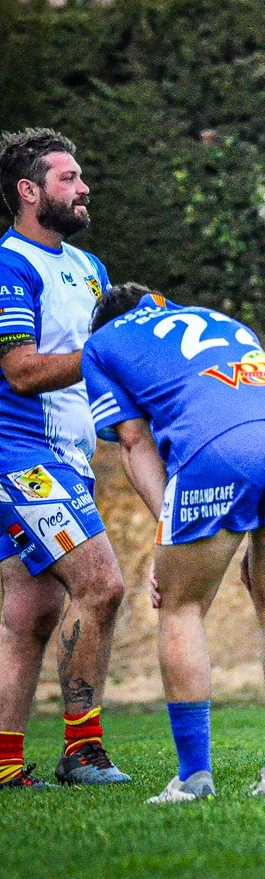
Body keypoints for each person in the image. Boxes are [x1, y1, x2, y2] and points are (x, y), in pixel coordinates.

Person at [84, 285, 265, 802]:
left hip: (224, 442)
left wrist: (166, 529)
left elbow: (134, 442)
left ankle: (195, 777)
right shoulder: (213, 316)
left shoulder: (102, 343)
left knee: (181, 606)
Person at [0, 130, 129, 789]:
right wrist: (109, 354)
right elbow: (21, 372)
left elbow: (97, 376)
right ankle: (83, 751)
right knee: (102, 584)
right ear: (29, 191)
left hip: (69, 461)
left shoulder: (90, 268)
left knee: (30, 616)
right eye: (68, 178)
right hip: (21, 456)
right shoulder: (8, 265)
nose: (83, 189)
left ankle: (2, 766)